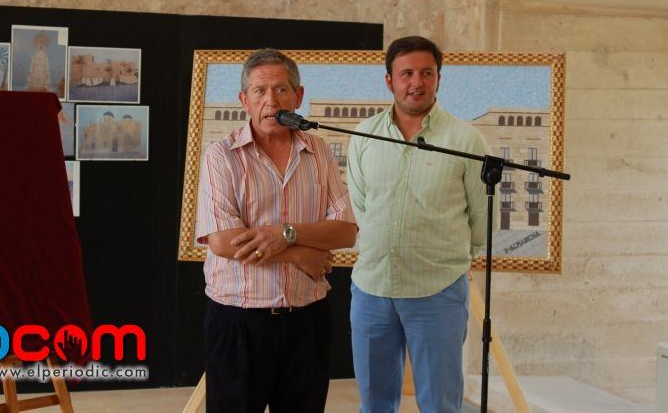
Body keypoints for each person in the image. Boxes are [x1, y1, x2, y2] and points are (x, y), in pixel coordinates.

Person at [196, 48, 357, 413]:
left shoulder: (319, 151)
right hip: (239, 322)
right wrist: (299, 253)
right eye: (260, 91)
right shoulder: (221, 156)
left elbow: (345, 231)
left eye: (282, 89)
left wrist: (285, 233)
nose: (271, 100)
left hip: (307, 320)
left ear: (298, 96)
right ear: (244, 101)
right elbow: (222, 240)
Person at [347, 36, 491, 413]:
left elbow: (482, 218)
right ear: (389, 81)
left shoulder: (466, 140)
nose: (417, 82)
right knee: (374, 404)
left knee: (440, 404)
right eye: (406, 73)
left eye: (426, 73)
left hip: (437, 291)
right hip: (372, 288)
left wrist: (452, 260)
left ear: (439, 78)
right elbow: (361, 208)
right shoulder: (363, 136)